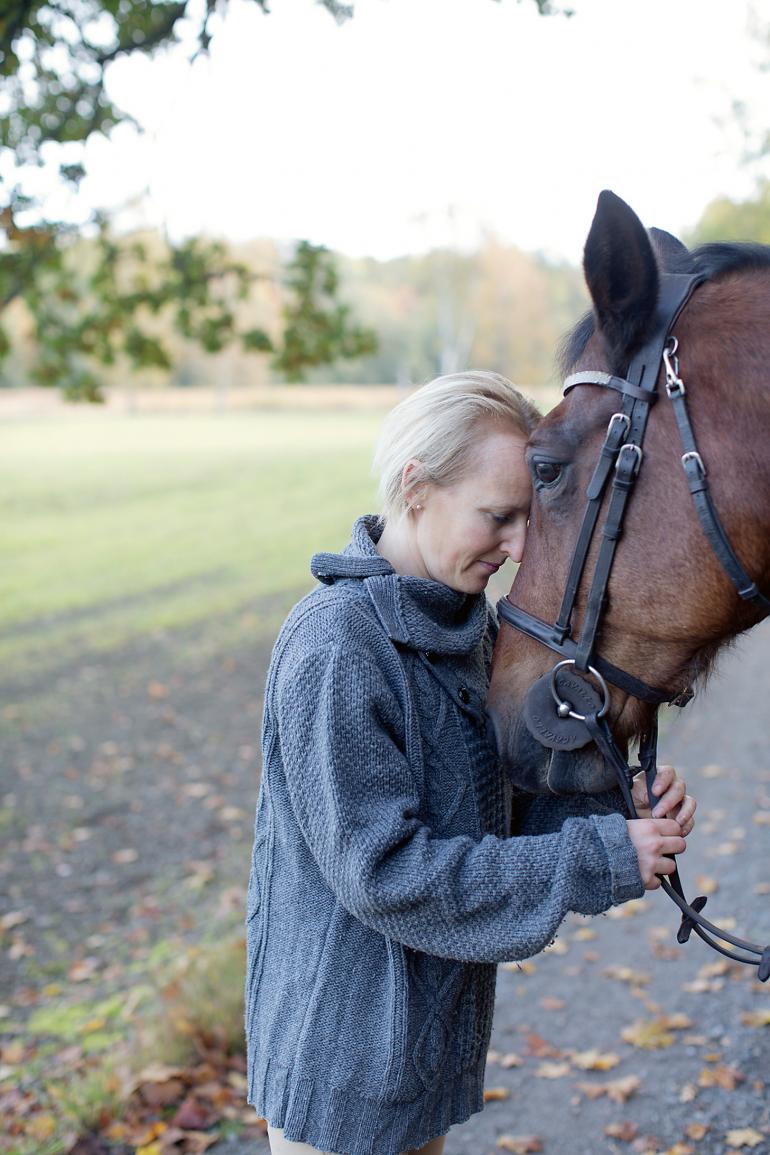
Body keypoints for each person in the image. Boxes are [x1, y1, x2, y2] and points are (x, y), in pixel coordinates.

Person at [244, 371, 695, 1155]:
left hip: (422, 1057)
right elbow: (386, 873)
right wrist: (600, 857)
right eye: (499, 516)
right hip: (342, 1070)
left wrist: (625, 814)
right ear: (416, 488)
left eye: (529, 519)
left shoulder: (472, 631)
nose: (520, 548)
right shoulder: (338, 647)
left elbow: (507, 803)